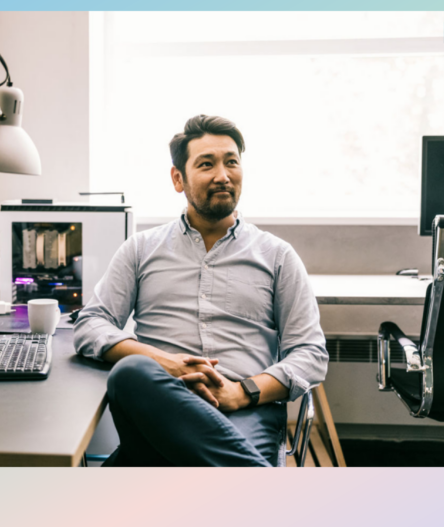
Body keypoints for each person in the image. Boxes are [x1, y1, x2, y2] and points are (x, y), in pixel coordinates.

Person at [73, 114, 328, 466]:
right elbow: (90, 324)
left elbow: (310, 353)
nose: (223, 176)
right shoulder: (140, 249)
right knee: (131, 373)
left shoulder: (277, 255)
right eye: (206, 164)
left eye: (232, 163)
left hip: (245, 411)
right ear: (178, 178)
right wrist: (165, 364)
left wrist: (241, 392)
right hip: (159, 404)